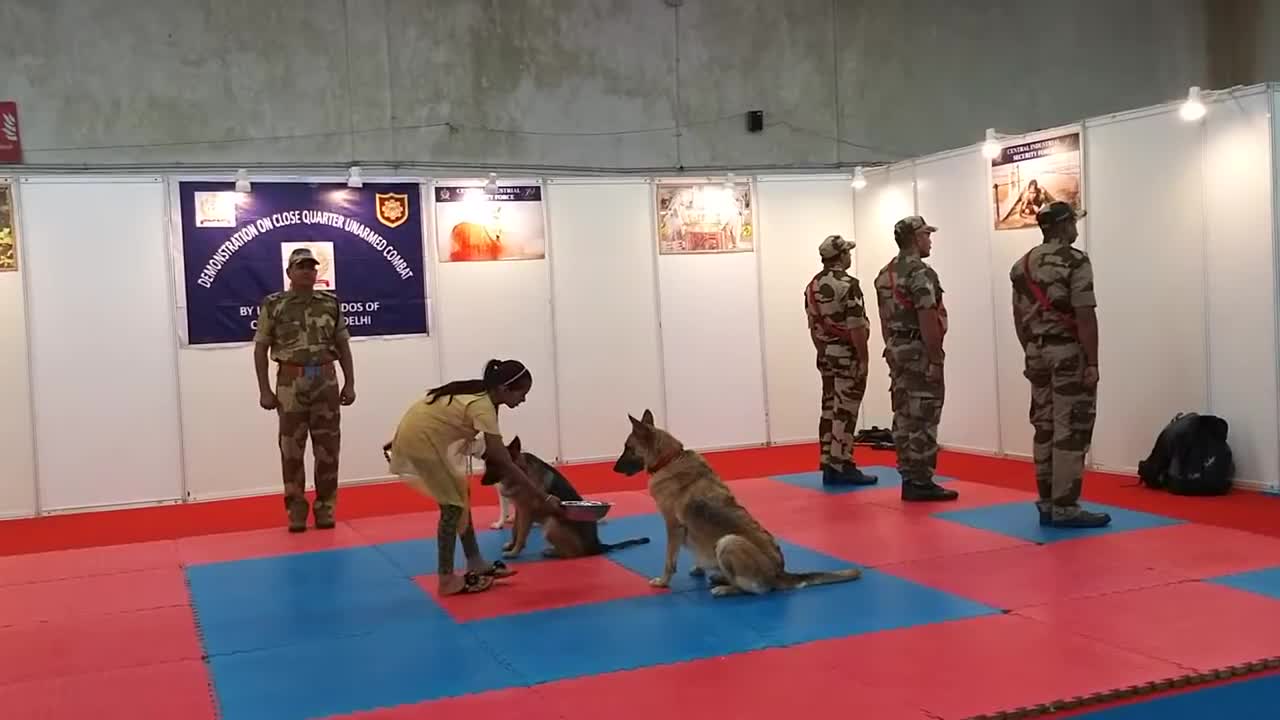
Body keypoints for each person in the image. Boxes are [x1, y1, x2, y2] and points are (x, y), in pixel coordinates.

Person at [385, 359, 562, 595]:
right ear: (504, 389)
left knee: (460, 497)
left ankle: (475, 561)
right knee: (452, 507)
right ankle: (446, 580)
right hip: (423, 442)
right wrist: (543, 496)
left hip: (425, 437)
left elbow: (490, 449)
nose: (523, 399)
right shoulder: (483, 406)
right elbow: (504, 463)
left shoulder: (486, 397)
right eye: (521, 393)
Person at [1010, 201, 1110, 528]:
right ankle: (1065, 506)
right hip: (1068, 353)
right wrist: (1092, 362)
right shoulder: (1075, 261)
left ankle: (1046, 501)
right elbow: (1085, 314)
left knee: (1044, 426)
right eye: (1073, 222)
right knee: (1072, 426)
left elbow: (1018, 317)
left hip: (1036, 352)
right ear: (1063, 225)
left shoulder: (1021, 265)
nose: (1076, 228)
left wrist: (1031, 348)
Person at [254, 247, 356, 532]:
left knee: (328, 450)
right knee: (291, 450)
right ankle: (296, 511)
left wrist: (350, 382)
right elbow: (261, 348)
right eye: (301, 267)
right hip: (290, 383)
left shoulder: (330, 303)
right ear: (289, 273)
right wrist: (264, 390)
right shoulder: (274, 304)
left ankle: (325, 508)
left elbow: (343, 345)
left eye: (311, 267)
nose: (307, 272)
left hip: (326, 381)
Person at [873, 216, 958, 502]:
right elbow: (928, 318)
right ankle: (921, 480)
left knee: (905, 414)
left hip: (897, 349)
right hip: (919, 351)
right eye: (925, 234)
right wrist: (935, 359)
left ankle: (909, 474)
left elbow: (884, 320)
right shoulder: (921, 273)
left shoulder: (885, 274)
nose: (929, 239)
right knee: (924, 414)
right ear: (913, 238)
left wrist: (892, 348)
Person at [804, 234, 877, 486]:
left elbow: (813, 327)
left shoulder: (812, 286)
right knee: (846, 411)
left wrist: (823, 351)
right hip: (847, 356)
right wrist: (863, 358)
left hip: (825, 355)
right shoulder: (848, 284)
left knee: (828, 408)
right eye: (847, 251)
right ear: (841, 256)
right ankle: (843, 464)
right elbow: (856, 327)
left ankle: (828, 462)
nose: (850, 255)